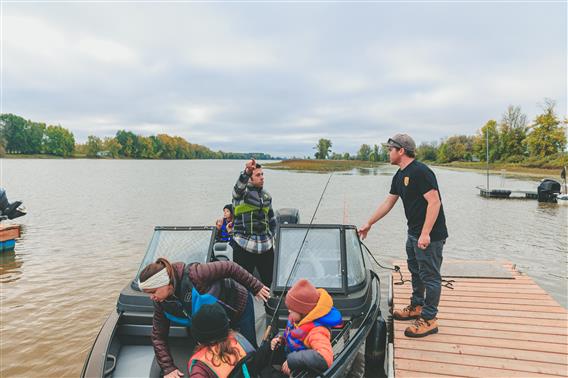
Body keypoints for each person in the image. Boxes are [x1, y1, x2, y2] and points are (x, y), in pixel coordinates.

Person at [358, 133, 448, 338]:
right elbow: (388, 202)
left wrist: (425, 234)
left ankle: (429, 319)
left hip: (430, 236)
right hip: (413, 233)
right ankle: (417, 306)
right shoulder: (399, 175)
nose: (388, 153)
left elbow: (434, 202)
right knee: (416, 271)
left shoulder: (421, 172)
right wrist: (369, 223)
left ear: (401, 150)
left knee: (431, 277)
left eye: (390, 149)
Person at [139, 257, 270, 378]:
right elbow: (158, 336)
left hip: (238, 309)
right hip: (209, 324)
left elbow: (229, 267)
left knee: (247, 353)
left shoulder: (195, 273)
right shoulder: (160, 303)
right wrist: (168, 368)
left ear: (165, 284)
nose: (151, 297)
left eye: (152, 292)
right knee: (217, 356)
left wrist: (255, 286)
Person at [269, 279, 341, 376]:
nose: (289, 311)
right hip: (290, 355)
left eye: (292, 309)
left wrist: (292, 360)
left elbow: (326, 358)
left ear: (303, 312)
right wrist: (280, 338)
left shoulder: (317, 331)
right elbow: (291, 333)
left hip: (301, 368)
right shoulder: (296, 319)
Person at [232, 159, 277, 287]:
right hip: (244, 247)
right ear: (250, 179)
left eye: (262, 174)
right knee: (241, 287)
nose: (262, 178)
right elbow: (237, 189)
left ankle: (269, 306)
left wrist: (273, 236)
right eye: (258, 175)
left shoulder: (267, 196)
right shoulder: (241, 194)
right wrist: (246, 172)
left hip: (266, 248)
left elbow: (272, 219)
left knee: (270, 285)